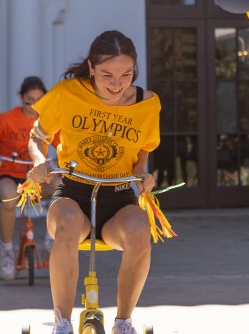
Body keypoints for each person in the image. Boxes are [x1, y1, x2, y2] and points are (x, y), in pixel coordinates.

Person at [27, 30, 161, 334]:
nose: (117, 84)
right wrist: (39, 162)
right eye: (107, 75)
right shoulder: (68, 93)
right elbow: (38, 135)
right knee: (68, 226)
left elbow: (142, 153)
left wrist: (143, 175)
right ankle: (62, 323)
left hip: (119, 197)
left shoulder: (148, 103)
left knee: (141, 232)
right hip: (74, 192)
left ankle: (123, 323)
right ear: (91, 67)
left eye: (126, 74)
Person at [0, 76, 57, 280]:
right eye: (29, 100)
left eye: (39, 101)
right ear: (21, 97)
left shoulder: (48, 120)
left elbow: (64, 143)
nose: (33, 106)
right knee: (9, 199)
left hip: (36, 175)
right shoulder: (6, 118)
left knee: (62, 188)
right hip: (8, 173)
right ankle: (7, 250)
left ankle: (51, 239)